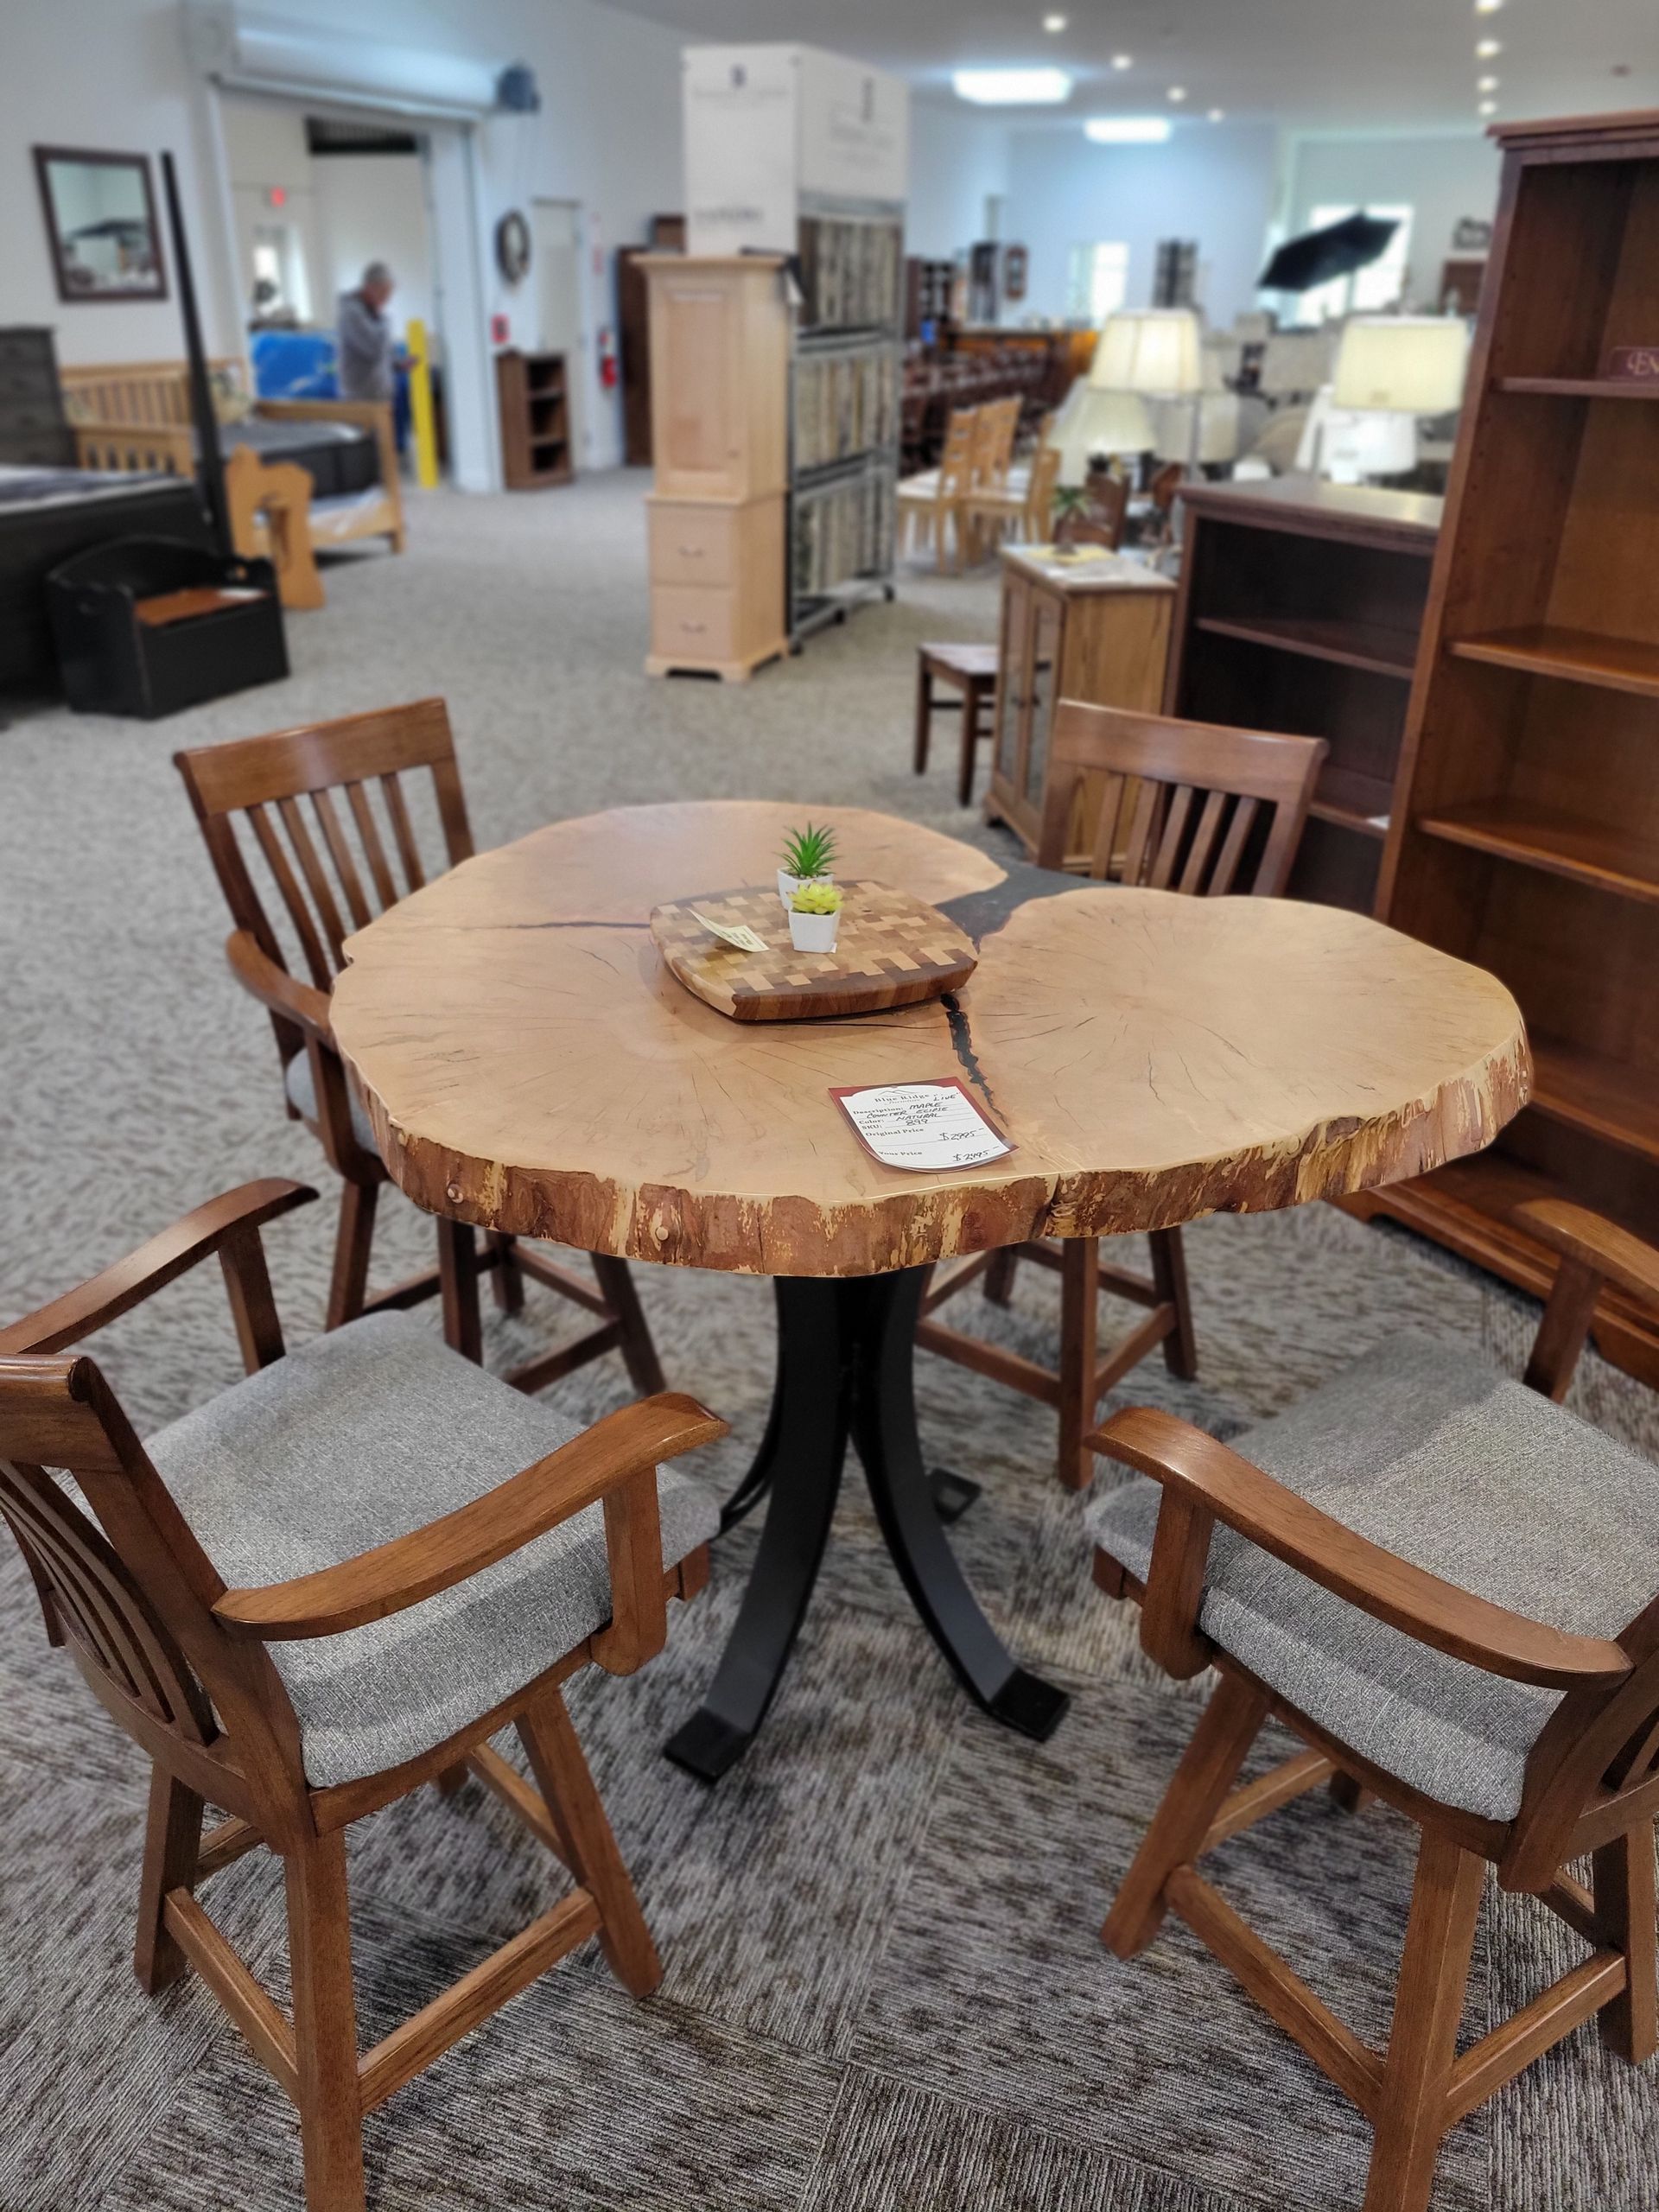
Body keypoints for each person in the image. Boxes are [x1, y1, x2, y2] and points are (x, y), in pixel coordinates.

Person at [336, 261, 397, 403]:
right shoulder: (352, 313)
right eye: (384, 293)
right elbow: (374, 350)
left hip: (377, 394)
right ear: (371, 288)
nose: (387, 299)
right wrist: (385, 322)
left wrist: (397, 364)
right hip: (360, 397)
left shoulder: (372, 313)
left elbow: (381, 354)